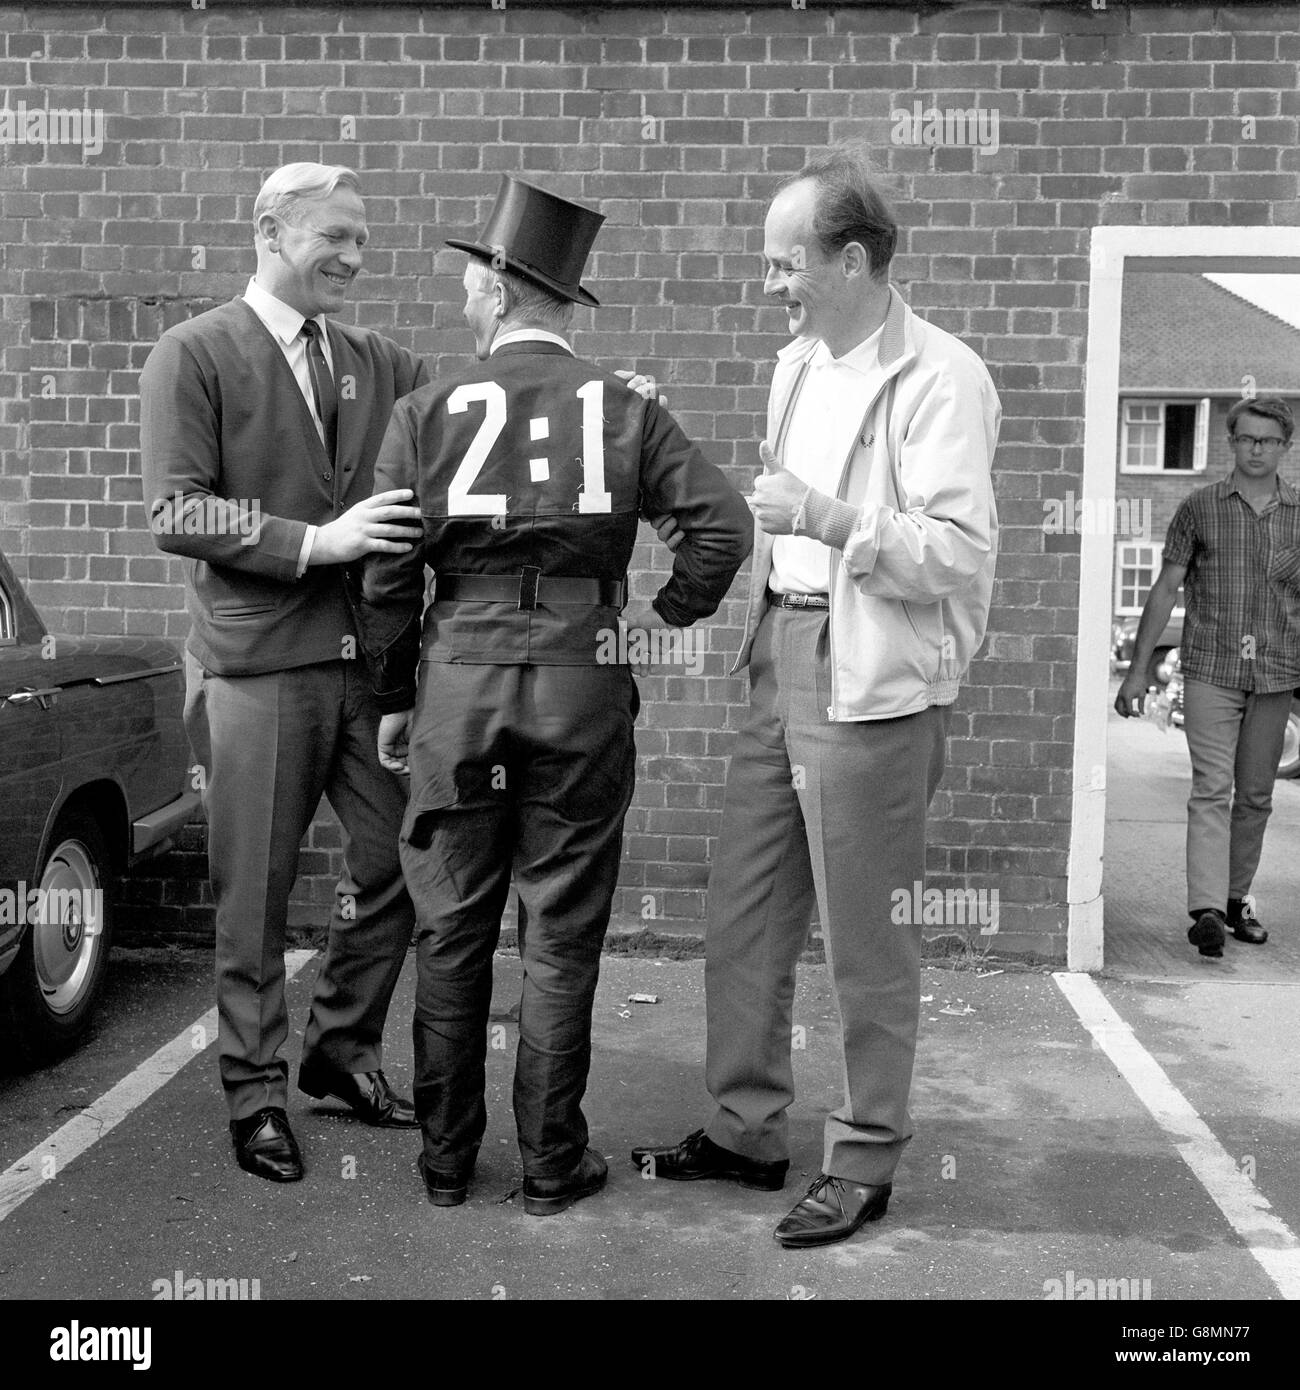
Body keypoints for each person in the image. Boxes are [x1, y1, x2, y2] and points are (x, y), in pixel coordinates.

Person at [358, 175, 753, 1216]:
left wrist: (396, 693)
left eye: (467, 278)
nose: (460, 295)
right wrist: (648, 629)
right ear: (562, 301)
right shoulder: (627, 407)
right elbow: (722, 528)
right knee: (562, 934)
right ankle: (548, 1164)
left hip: (461, 679)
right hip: (580, 680)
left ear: (498, 287)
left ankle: (445, 1164)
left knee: (449, 929)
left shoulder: (422, 410)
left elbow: (389, 572)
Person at [633, 144, 1001, 1249]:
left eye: (784, 262)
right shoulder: (795, 362)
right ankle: (746, 1132)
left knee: (864, 940)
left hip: (870, 677)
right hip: (778, 650)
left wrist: (832, 518)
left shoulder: (942, 375)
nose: (770, 283)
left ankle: (865, 1159)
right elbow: (773, 509)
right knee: (743, 913)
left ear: (850, 257)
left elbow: (956, 550)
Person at [140, 162, 430, 1183]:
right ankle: (255, 1093)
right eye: (337, 236)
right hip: (259, 667)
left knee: (401, 863)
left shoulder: (379, 358)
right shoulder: (196, 352)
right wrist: (320, 540)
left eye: (363, 239)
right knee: (253, 897)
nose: (355, 256)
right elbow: (177, 510)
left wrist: (595, 401)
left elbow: (471, 422)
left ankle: (342, 1055)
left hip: (370, 674)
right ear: (272, 229)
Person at [1116, 396, 1298, 958]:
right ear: (1232, 442)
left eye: (1268, 440)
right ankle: (1208, 911)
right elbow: (1166, 588)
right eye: (1246, 438)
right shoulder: (1199, 508)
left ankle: (1236, 898)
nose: (1256, 449)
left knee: (1257, 796)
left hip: (1276, 672)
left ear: (1285, 447)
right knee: (1212, 789)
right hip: (1211, 669)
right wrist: (1139, 670)